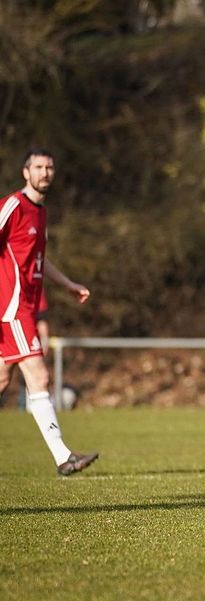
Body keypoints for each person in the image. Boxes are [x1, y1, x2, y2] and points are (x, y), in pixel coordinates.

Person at [0, 147, 97, 475]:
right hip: (12, 308)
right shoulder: (13, 206)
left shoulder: (41, 213)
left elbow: (38, 259)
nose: (45, 172)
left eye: (50, 167)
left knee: (1, 379)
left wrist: (67, 284)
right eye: (38, 167)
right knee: (39, 376)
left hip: (25, 305)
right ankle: (63, 456)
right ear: (25, 172)